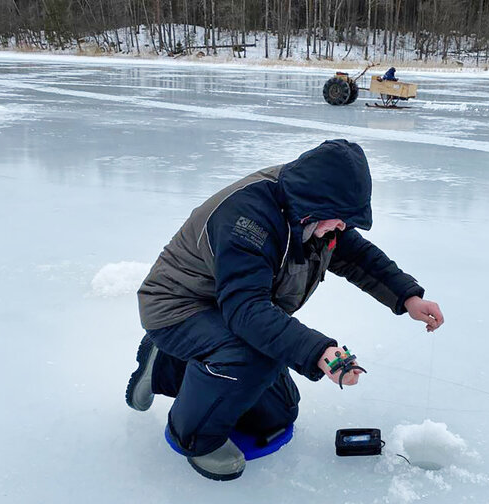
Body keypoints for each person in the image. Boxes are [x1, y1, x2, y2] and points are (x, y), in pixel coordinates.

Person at [126, 139, 443, 481]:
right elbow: (247, 311)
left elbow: (356, 256)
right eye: (339, 220)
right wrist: (320, 351)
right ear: (315, 204)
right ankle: (192, 436)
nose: (341, 228)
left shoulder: (314, 213)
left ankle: (166, 366)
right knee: (251, 357)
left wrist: (407, 296)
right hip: (177, 307)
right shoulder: (248, 221)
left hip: (226, 306)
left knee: (278, 414)